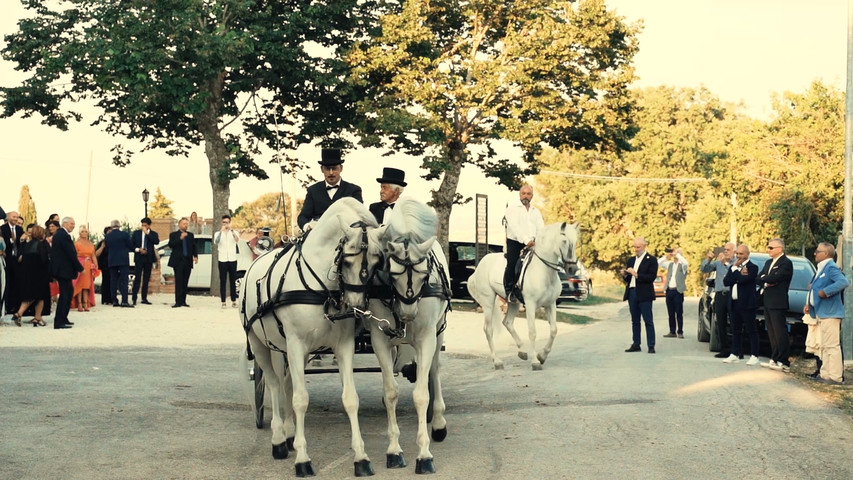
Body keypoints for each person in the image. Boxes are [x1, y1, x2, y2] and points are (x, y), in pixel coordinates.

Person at [804, 242, 848, 384]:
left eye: (818, 251)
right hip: (821, 312)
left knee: (832, 346)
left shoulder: (831, 267)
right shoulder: (821, 268)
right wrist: (809, 304)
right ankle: (825, 374)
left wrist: (826, 292)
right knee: (825, 345)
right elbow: (815, 288)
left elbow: (843, 282)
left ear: (826, 254)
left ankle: (835, 376)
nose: (815, 253)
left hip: (830, 312)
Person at [297, 148, 363, 231]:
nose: (331, 172)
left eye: (334, 168)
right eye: (327, 169)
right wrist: (308, 226)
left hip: (345, 234)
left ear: (341, 168)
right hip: (319, 234)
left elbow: (359, 215)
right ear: (322, 169)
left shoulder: (353, 190)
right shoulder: (313, 190)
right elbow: (303, 216)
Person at [501, 185, 545, 303]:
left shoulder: (535, 211)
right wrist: (526, 241)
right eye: (523, 193)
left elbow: (541, 228)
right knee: (512, 263)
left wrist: (538, 240)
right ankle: (509, 291)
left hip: (533, 243)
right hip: (515, 242)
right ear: (519, 194)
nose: (526, 196)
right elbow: (515, 227)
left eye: (528, 194)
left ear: (532, 196)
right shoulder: (512, 209)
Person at [757, 238, 793, 370]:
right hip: (767, 300)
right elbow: (759, 278)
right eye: (768, 247)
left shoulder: (786, 263)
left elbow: (777, 278)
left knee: (780, 331)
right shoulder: (768, 263)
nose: (768, 250)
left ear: (780, 249)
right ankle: (775, 357)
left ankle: (783, 360)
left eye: (771, 248)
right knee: (771, 332)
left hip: (778, 301)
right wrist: (766, 281)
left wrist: (766, 279)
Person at [722, 244, 760, 365]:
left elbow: (745, 280)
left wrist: (736, 274)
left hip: (747, 304)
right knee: (736, 330)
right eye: (737, 254)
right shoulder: (734, 266)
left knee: (751, 330)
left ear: (747, 254)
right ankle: (734, 353)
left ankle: (754, 355)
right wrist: (734, 270)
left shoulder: (753, 267)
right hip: (734, 303)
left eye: (741, 254)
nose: (739, 256)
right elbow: (726, 281)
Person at [622, 237, 659, 353]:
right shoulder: (631, 260)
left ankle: (651, 345)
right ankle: (636, 343)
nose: (636, 249)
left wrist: (636, 274)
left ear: (644, 246)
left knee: (648, 320)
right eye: (635, 247)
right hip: (632, 292)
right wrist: (625, 275)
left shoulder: (651, 260)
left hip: (644, 293)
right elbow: (628, 279)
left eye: (638, 247)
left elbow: (651, 277)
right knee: (635, 320)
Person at [700, 243, 736, 358]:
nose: (726, 252)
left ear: (734, 251)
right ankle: (724, 349)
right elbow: (704, 269)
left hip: (733, 295)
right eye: (725, 250)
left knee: (735, 323)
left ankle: (735, 349)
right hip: (720, 295)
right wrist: (709, 258)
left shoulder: (737, 263)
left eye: (728, 250)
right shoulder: (718, 263)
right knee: (720, 322)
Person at [11, 225, 51, 327]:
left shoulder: (28, 244)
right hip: (39, 275)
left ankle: (37, 318)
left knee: (34, 296)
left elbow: (22, 258)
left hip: (28, 274)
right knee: (38, 296)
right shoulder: (40, 245)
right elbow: (44, 260)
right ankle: (19, 313)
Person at [50, 216, 84, 329]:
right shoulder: (62, 235)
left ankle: (63, 318)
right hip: (63, 270)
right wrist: (80, 268)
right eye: (71, 224)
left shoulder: (61, 234)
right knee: (65, 295)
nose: (73, 226)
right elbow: (71, 254)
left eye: (73, 224)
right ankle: (59, 321)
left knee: (68, 293)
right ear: (64, 224)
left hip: (64, 270)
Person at [658, 247, 689, 338]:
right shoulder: (670, 264)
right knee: (670, 312)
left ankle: (680, 332)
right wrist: (666, 257)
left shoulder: (683, 266)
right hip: (669, 290)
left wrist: (678, 254)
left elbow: (686, 263)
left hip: (678, 291)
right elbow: (658, 263)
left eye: (677, 253)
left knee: (679, 312)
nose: (674, 254)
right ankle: (672, 331)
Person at [104, 219, 134, 308]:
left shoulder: (108, 236)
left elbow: (107, 248)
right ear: (119, 226)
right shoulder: (124, 234)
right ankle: (124, 301)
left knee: (113, 280)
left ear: (111, 226)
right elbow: (130, 245)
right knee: (124, 280)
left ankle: (114, 300)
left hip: (112, 260)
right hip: (123, 259)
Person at [169, 217, 197, 308]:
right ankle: (178, 301)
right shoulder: (174, 234)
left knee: (185, 282)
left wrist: (195, 256)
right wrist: (180, 238)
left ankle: (183, 301)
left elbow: (193, 246)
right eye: (184, 224)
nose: (185, 225)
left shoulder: (190, 235)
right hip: (178, 261)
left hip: (187, 261)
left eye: (186, 224)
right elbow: (171, 245)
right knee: (179, 281)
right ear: (179, 224)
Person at [131, 217, 160, 305]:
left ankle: (144, 298)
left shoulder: (153, 234)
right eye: (142, 225)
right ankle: (134, 297)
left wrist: (147, 233)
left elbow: (156, 242)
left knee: (146, 279)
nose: (143, 227)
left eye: (145, 225)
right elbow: (131, 245)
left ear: (149, 225)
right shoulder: (136, 233)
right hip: (139, 258)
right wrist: (138, 249)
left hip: (148, 258)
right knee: (137, 278)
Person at [71, 224, 99, 312]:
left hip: (88, 266)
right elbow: (74, 256)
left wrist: (96, 265)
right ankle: (79, 303)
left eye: (86, 231)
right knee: (79, 285)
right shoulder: (76, 243)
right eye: (82, 231)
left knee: (87, 285)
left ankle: (85, 303)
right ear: (79, 233)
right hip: (80, 265)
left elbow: (93, 255)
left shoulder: (91, 244)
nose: (84, 233)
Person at [214, 214, 240, 308]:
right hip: (222, 259)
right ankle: (223, 302)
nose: (226, 224)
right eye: (224, 222)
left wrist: (231, 230)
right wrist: (221, 232)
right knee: (223, 281)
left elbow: (237, 240)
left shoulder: (235, 232)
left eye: (227, 222)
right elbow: (216, 242)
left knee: (233, 281)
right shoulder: (217, 233)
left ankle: (233, 301)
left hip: (232, 259)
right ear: (222, 223)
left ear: (230, 222)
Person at [1, 210, 24, 316]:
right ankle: (7, 307)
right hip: (7, 259)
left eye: (17, 217)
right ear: (9, 217)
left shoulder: (20, 229)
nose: (15, 218)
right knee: (7, 283)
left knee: (17, 283)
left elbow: (21, 245)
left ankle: (15, 307)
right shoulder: (3, 229)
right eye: (14, 217)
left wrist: (21, 254)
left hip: (17, 260)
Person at [95, 226, 113, 305]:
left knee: (112, 281)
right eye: (108, 232)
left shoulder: (115, 242)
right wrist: (102, 247)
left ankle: (111, 298)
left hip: (113, 264)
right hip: (105, 264)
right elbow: (96, 254)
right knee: (105, 281)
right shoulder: (103, 242)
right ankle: (105, 299)